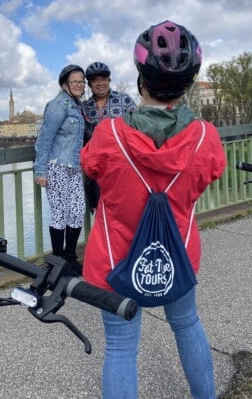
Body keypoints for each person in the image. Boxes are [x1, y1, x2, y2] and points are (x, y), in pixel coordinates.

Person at [81, 20, 226, 398]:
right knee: (187, 324)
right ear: (187, 84)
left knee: (120, 348)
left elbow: (90, 166)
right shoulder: (206, 138)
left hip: (115, 260)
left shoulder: (108, 135)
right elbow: (210, 174)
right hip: (176, 255)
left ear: (141, 81)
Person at [34, 64, 86, 275]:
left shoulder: (75, 105)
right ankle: (57, 262)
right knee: (60, 214)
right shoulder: (58, 105)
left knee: (77, 211)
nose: (79, 85)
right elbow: (44, 139)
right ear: (65, 83)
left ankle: (70, 257)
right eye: (75, 81)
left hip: (74, 167)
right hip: (56, 167)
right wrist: (40, 170)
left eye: (82, 81)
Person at [82, 62, 137, 211]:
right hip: (96, 172)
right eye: (95, 80)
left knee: (126, 212)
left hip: (122, 168)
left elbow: (138, 128)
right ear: (90, 84)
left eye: (104, 79)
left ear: (109, 80)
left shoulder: (124, 100)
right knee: (101, 215)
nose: (100, 83)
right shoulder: (84, 107)